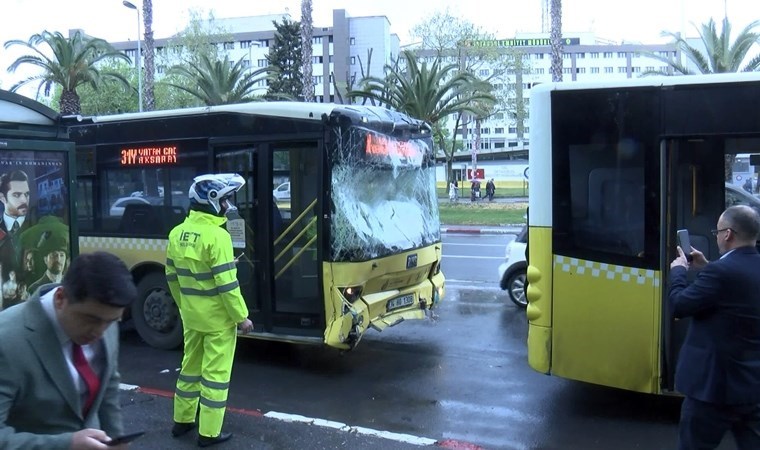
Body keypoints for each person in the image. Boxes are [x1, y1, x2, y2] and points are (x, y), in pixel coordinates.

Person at [0, 251, 137, 449]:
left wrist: (116, 439)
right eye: (91, 319)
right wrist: (67, 444)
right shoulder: (7, 342)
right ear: (60, 298)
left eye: (111, 321)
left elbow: (108, 386)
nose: (99, 332)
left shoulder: (104, 316)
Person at [166, 173, 253, 448]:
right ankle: (209, 433)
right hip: (218, 322)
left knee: (189, 369)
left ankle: (182, 422)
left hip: (191, 317)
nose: (229, 205)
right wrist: (242, 317)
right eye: (226, 199)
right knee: (215, 377)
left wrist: (186, 306)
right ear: (212, 200)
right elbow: (227, 285)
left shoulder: (176, 233)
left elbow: (171, 277)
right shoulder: (218, 237)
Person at [669, 205, 760, 450]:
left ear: (728, 234)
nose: (716, 236)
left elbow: (679, 305)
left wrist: (678, 272)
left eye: (717, 231)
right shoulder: (742, 268)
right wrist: (707, 265)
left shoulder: (721, 272)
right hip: (752, 388)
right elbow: (735, 290)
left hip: (712, 390)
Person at [0, 170, 32, 282]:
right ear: (3, 198)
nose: (24, 200)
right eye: (17, 195)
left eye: (27, 194)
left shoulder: (35, 227)